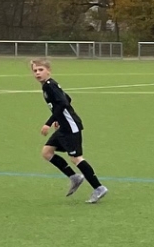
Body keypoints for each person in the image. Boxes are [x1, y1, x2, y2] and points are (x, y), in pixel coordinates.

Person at [31, 58, 107, 202]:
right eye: (35, 71)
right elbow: (67, 99)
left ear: (49, 71)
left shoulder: (50, 85)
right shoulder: (47, 86)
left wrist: (49, 123)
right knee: (47, 152)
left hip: (71, 126)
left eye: (41, 70)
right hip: (63, 126)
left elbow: (64, 103)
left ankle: (99, 188)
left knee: (76, 158)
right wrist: (58, 119)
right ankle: (74, 177)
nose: (37, 73)